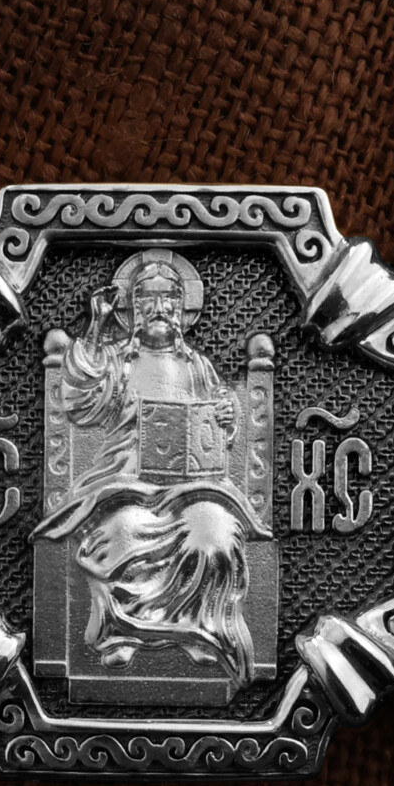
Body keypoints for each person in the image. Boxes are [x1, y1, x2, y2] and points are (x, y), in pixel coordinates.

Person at [41, 251, 255, 687]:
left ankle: (202, 632)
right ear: (133, 308)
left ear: (181, 307)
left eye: (168, 299)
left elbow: (220, 421)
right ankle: (120, 634)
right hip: (124, 483)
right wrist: (97, 326)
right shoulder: (117, 361)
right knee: (124, 531)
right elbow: (79, 402)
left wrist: (227, 416)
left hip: (191, 488)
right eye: (148, 300)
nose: (159, 309)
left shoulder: (197, 366)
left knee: (214, 532)